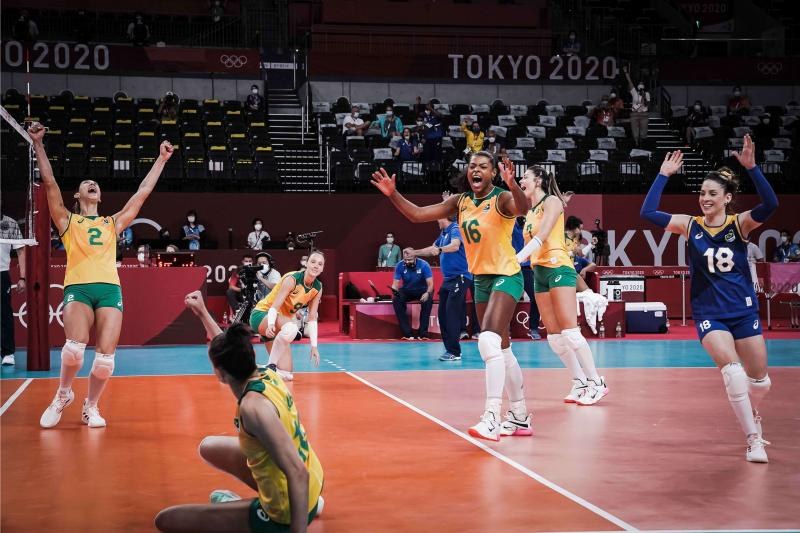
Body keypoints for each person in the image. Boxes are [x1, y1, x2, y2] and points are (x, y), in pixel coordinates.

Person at [372, 152, 532, 441]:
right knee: (502, 350)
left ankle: (492, 416)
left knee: (487, 340)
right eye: (472, 166)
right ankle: (520, 415)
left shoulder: (501, 198)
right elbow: (418, 214)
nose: (477, 170)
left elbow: (524, 207)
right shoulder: (460, 202)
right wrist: (393, 194)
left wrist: (513, 185)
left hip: (507, 275)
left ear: (493, 173)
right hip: (481, 279)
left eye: (483, 166)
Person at [640, 136, 778, 462]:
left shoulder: (740, 224)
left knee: (759, 380)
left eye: (712, 194)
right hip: (709, 313)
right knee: (732, 372)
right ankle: (752, 439)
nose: (704, 198)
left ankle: (754, 414)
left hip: (743, 311)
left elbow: (771, 205)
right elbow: (648, 212)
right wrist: (663, 174)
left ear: (727, 198)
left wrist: (753, 168)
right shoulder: (690, 226)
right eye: (702, 193)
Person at [30, 122, 174, 428]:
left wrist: (161, 159)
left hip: (109, 289)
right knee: (73, 350)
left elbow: (142, 193)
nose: (92, 183)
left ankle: (90, 406)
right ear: (79, 195)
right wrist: (38, 145)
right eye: (86, 183)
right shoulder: (67, 221)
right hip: (79, 288)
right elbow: (50, 182)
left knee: (106, 360)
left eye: (95, 182)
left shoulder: (112, 222)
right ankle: (63, 393)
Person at [155, 291, 324, 533]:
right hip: (313, 479)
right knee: (209, 446)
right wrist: (203, 312)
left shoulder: (253, 408)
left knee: (166, 520)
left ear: (221, 375)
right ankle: (308, 503)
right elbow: (226, 346)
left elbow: (297, 472)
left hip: (286, 508)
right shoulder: (265, 373)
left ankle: (259, 509)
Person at [516, 166, 608, 406]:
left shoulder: (552, 201)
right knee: (555, 338)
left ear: (538, 180)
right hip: (539, 272)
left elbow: (544, 235)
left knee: (570, 332)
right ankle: (579, 382)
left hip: (559, 267)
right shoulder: (530, 211)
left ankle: (597, 382)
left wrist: (517, 259)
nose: (521, 180)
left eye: (525, 176)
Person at [249, 250, 325, 382]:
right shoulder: (292, 279)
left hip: (280, 325)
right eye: (312, 262)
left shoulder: (317, 287)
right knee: (291, 329)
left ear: (322, 268)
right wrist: (271, 324)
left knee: (286, 374)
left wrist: (314, 346)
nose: (315, 266)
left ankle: (256, 369)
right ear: (306, 264)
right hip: (263, 315)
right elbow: (275, 307)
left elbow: (312, 318)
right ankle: (270, 366)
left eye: (320, 264)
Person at [410, 217, 470, 360]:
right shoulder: (443, 234)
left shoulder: (455, 228)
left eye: (439, 217)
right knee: (442, 315)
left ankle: (455, 352)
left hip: (460, 277)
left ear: (444, 217)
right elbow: (432, 250)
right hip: (448, 280)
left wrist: (441, 249)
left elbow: (455, 246)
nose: (437, 220)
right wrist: (414, 253)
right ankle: (450, 350)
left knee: (451, 314)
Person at [390, 248, 434, 341]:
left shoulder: (424, 265)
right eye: (405, 260)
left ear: (415, 257)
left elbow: (430, 284)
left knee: (428, 299)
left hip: (422, 290)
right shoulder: (399, 265)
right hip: (407, 290)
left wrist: (427, 293)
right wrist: (394, 291)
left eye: (409, 259)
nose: (407, 262)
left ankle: (423, 334)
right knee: (397, 299)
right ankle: (408, 334)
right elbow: (395, 283)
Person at [1, 214, 27, 366]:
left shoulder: (10, 223)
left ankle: (7, 353)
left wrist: (22, 277)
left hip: (1, 273)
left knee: (4, 315)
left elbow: (21, 251)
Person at [511, 216, 541, 340]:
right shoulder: (512, 226)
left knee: (535, 297)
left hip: (527, 268)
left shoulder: (531, 226)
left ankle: (533, 328)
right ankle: (505, 330)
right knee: (508, 299)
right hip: (512, 268)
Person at [624, 65, 650, 146]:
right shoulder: (634, 92)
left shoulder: (647, 94)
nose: (641, 85)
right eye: (640, 84)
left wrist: (643, 98)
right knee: (635, 130)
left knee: (643, 132)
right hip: (634, 114)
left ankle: (642, 142)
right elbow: (630, 82)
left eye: (642, 84)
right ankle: (636, 142)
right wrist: (625, 72)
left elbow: (647, 103)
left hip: (644, 114)